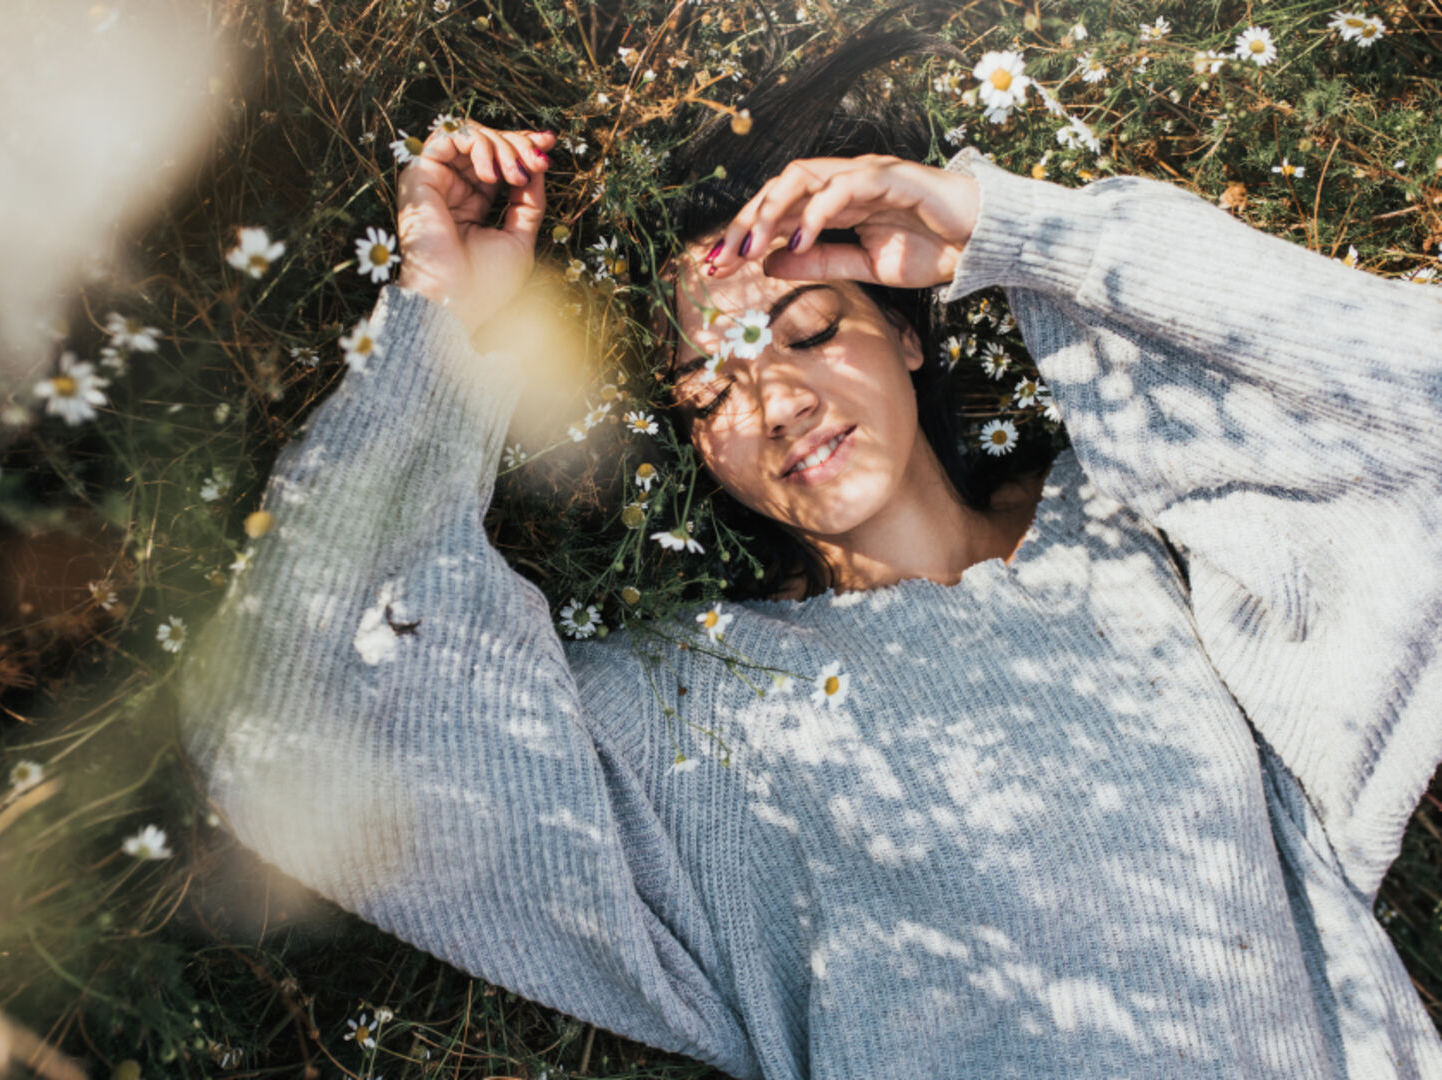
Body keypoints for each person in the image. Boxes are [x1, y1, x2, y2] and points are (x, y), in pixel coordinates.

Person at [177, 16, 1442, 1080]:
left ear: (905, 333)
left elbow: (1415, 406)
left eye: (804, 327)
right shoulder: (688, 714)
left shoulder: (1146, 546)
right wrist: (443, 324)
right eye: (708, 387)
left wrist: (1002, 230)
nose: (771, 401)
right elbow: (293, 721)